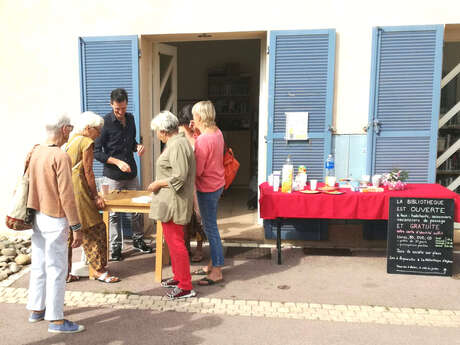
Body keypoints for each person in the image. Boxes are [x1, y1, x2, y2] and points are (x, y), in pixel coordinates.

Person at [26, 112, 85, 333]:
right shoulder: (60, 156)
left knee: (39, 264)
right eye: (69, 127)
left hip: (37, 216)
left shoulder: (35, 151)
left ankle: (36, 309)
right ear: (64, 129)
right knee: (57, 269)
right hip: (55, 217)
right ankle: (57, 320)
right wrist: (76, 226)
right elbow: (67, 196)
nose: (70, 130)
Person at [94, 88, 152, 261]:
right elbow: (97, 152)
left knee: (138, 209)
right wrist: (117, 162)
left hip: (131, 173)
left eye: (123, 108)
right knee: (113, 214)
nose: (120, 112)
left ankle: (138, 240)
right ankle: (115, 247)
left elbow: (131, 143)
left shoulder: (131, 118)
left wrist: (138, 147)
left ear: (127, 104)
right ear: (111, 104)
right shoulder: (104, 123)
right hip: (112, 176)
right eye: (117, 109)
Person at [65, 111, 120, 283]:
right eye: (98, 130)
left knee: (68, 233)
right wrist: (95, 196)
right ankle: (98, 270)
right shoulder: (87, 142)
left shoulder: (71, 141)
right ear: (88, 128)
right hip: (79, 189)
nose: (99, 134)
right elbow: (88, 172)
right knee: (96, 228)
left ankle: (65, 272)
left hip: (68, 189)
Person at [148, 111, 196, 299]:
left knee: (176, 244)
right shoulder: (178, 142)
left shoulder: (177, 145)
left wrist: (158, 183)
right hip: (170, 201)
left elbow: (179, 176)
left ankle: (185, 285)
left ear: (163, 131)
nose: (157, 135)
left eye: (157, 132)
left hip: (174, 202)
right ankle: (179, 277)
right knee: (173, 242)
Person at [191, 101, 225, 286]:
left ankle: (217, 270)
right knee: (212, 227)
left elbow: (198, 171)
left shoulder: (204, 140)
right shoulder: (217, 132)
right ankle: (213, 263)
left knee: (211, 229)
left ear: (201, 117)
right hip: (218, 183)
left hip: (207, 187)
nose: (193, 118)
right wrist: (196, 132)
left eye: (195, 115)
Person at [177, 104, 206, 262]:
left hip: (199, 182)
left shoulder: (199, 135)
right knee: (184, 217)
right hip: (183, 182)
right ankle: (186, 247)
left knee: (199, 216)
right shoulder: (178, 136)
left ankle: (200, 248)